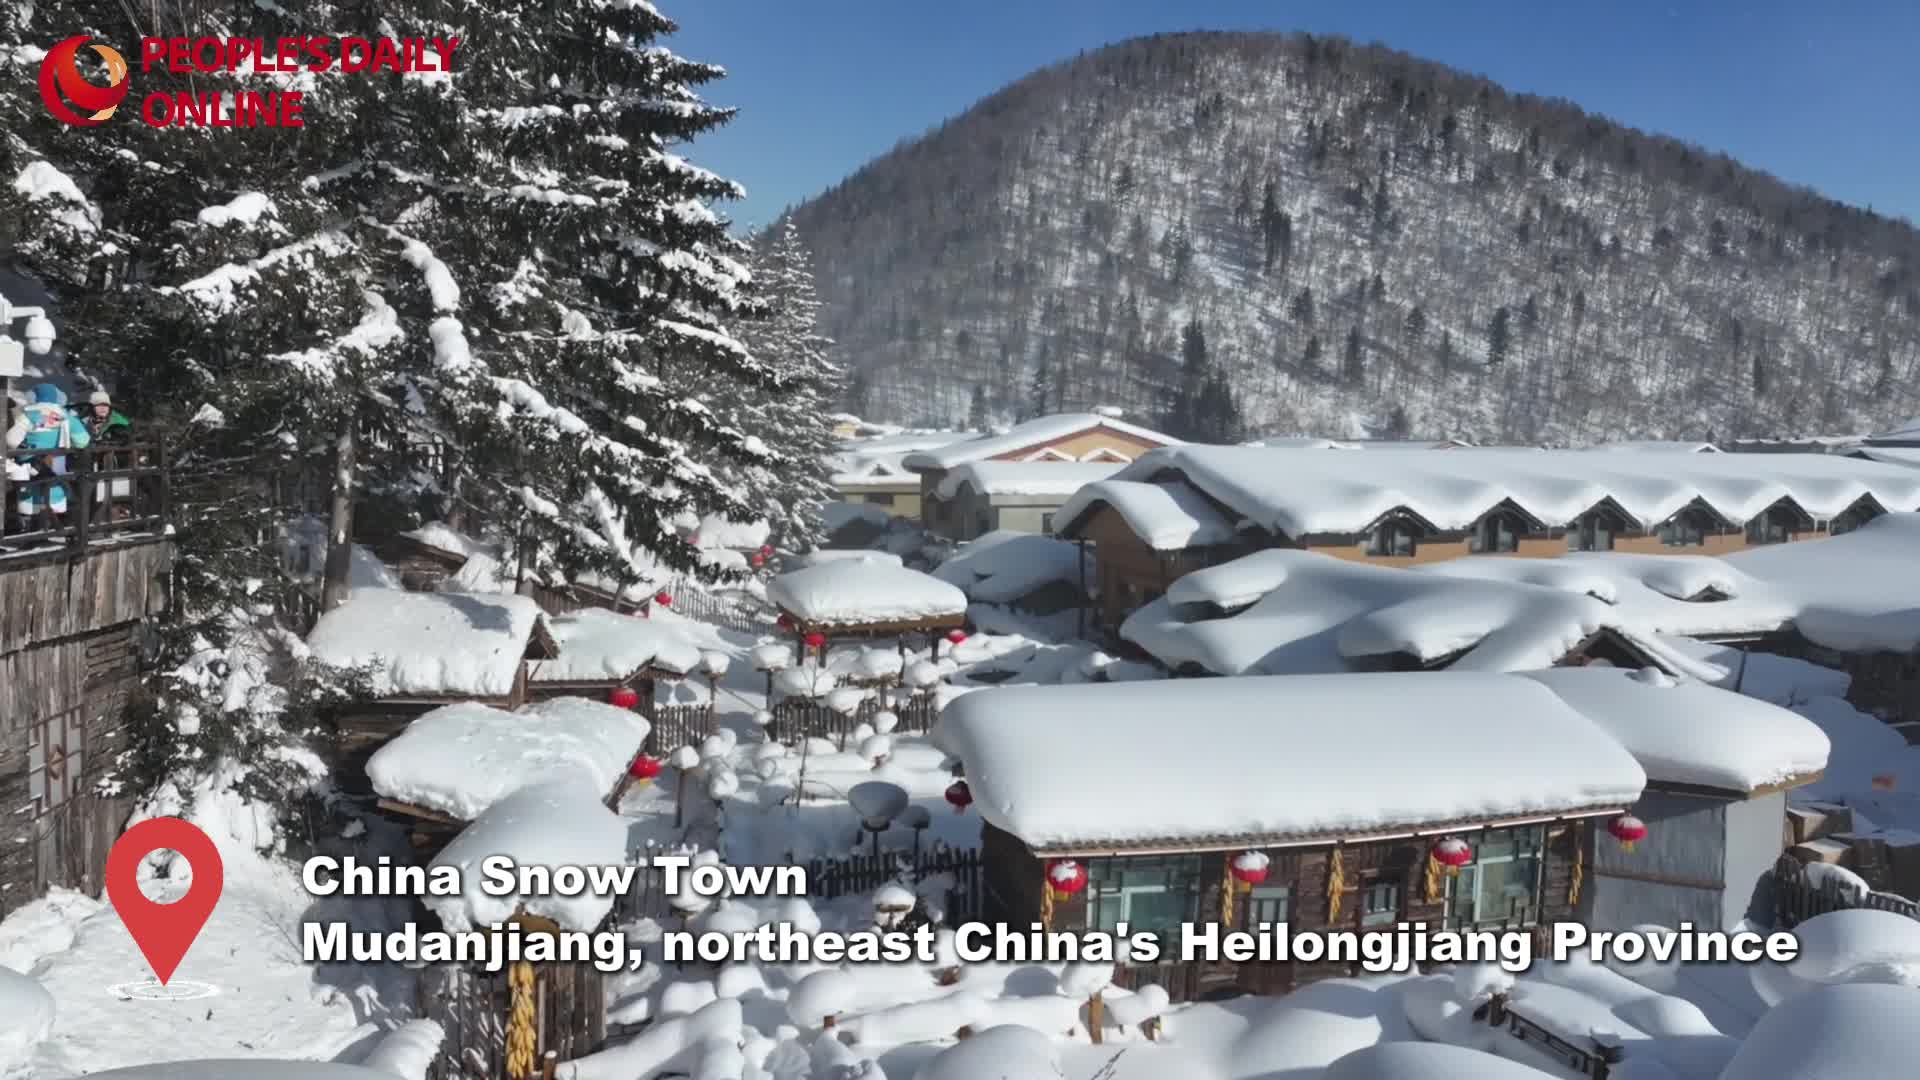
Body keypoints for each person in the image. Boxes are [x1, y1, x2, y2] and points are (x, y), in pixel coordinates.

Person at [5, 382, 90, 533]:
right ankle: (52, 527)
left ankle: (31, 530)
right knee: (55, 490)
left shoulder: (29, 415)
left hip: (30, 462)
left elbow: (11, 440)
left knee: (31, 493)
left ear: (34, 397)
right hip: (56, 461)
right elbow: (83, 441)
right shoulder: (65, 416)